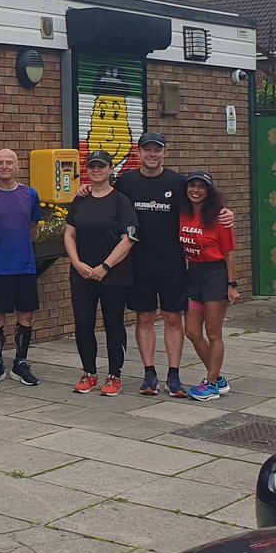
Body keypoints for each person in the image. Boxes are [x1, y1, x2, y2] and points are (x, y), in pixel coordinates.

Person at [114, 131, 233, 398]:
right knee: (144, 318)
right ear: (139, 152)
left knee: (172, 318)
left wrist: (227, 212)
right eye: (147, 150)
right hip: (139, 263)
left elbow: (205, 199)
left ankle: (174, 376)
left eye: (157, 150)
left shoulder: (179, 182)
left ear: (164, 152)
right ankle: (149, 374)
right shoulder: (126, 182)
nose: (152, 154)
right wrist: (86, 188)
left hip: (172, 264)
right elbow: (106, 197)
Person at [64, 149, 138, 396]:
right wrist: (76, 263)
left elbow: (128, 239)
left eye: (101, 166)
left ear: (110, 170)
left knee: (113, 324)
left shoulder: (121, 200)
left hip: (113, 274)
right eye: (92, 166)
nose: (97, 170)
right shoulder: (81, 199)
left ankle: (114, 375)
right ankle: (89, 373)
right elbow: (69, 233)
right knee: (83, 323)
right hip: (82, 274)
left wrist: (105, 266)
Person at [0, 148, 43, 387]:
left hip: (24, 266)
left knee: (26, 314)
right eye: (0, 162)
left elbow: (32, 226)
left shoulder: (30, 194)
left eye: (9, 162)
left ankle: (21, 363)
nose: (4, 166)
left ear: (17, 166)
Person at [180, 171, 241, 401]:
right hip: (194, 274)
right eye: (192, 185)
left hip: (215, 275)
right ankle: (217, 377)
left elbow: (229, 255)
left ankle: (211, 383)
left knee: (213, 333)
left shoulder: (218, 218)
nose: (196, 190)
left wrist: (231, 285)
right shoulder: (182, 214)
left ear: (209, 191)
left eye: (201, 187)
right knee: (192, 332)